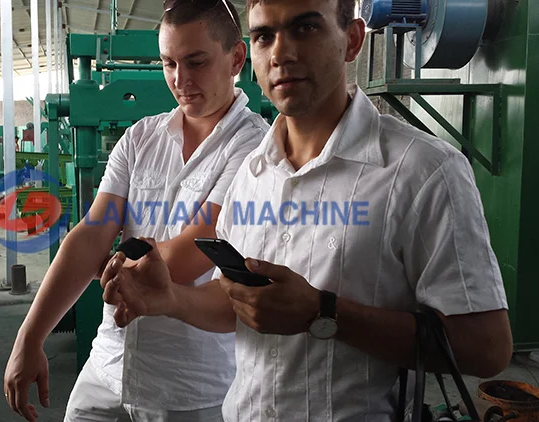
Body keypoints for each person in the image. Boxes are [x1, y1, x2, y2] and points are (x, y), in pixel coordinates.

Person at [100, 0, 514, 420]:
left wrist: (324, 312)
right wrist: (172, 298)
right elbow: (235, 301)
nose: (281, 53)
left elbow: (487, 348)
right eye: (264, 36)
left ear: (352, 40)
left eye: (306, 28)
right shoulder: (252, 174)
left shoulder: (423, 171)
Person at [3, 1, 270, 421]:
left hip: (187, 387)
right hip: (109, 363)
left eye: (196, 62)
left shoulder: (255, 148)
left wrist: (106, 265)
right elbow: (91, 234)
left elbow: (191, 252)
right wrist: (29, 336)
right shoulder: (141, 137)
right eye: (169, 63)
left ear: (237, 58)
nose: (180, 80)